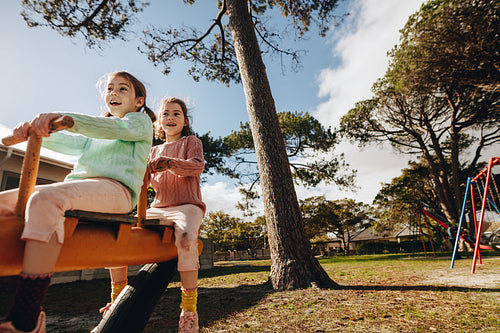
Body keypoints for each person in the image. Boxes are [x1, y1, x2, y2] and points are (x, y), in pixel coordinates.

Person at [0, 71, 155, 333]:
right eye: (109, 88)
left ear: (139, 101)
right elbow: (73, 142)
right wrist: (35, 130)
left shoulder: (139, 122)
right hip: (83, 188)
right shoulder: (96, 132)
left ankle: (27, 317)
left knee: (45, 198)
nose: (113, 93)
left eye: (123, 89)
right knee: (4, 204)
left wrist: (63, 119)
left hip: (116, 191)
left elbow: (114, 129)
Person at [101, 97, 205, 333]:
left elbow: (197, 166)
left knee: (187, 238)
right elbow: (141, 182)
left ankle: (189, 311)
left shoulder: (191, 141)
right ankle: (116, 298)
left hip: (188, 205)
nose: (171, 117)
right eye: (166, 114)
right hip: (158, 207)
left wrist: (169, 163)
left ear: (185, 121)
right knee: (120, 234)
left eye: (176, 114)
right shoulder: (152, 150)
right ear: (158, 122)